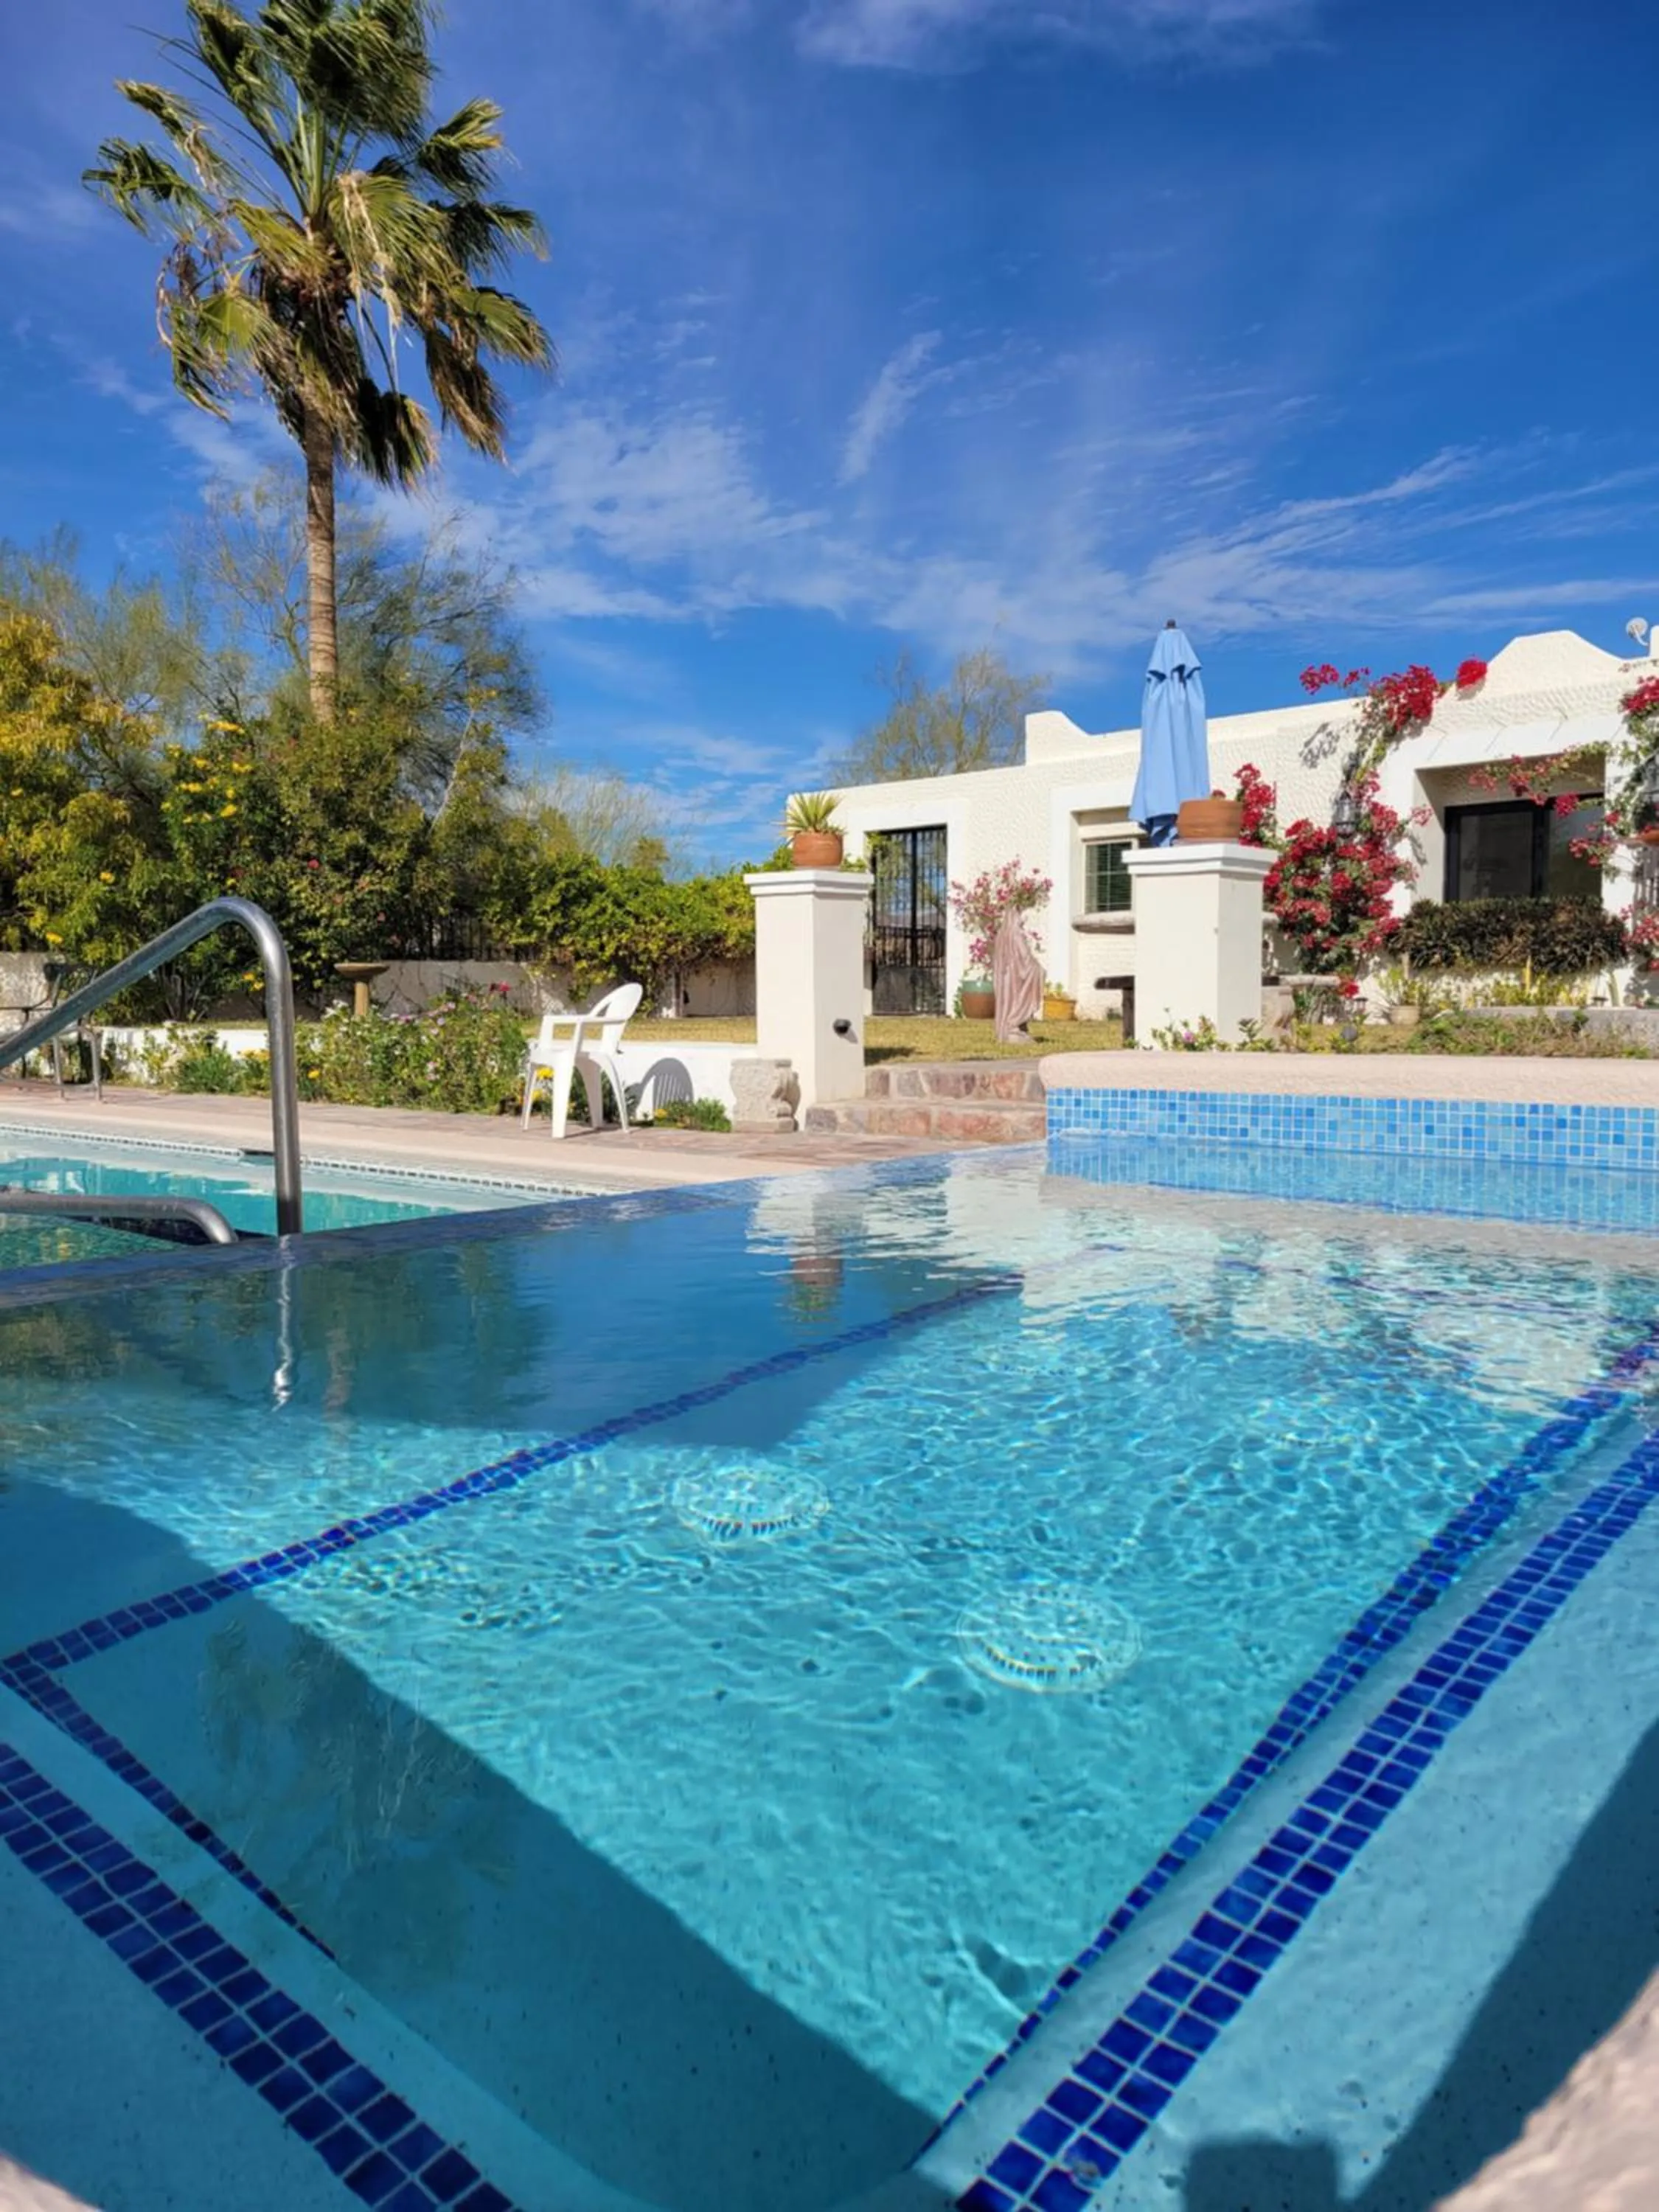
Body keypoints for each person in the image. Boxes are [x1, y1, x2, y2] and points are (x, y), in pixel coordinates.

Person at [992, 910, 1043, 1043]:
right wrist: (1038, 968)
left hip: (1006, 979)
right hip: (1017, 978)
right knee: (1020, 999)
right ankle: (1015, 1025)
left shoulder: (1002, 936)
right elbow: (1025, 957)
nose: (1023, 920)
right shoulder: (1016, 935)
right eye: (1020, 916)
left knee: (1010, 1001)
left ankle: (1014, 1027)